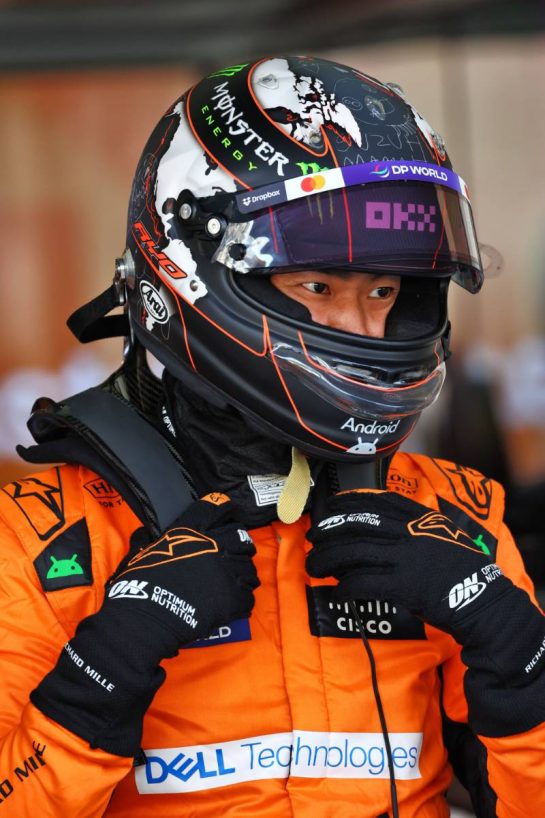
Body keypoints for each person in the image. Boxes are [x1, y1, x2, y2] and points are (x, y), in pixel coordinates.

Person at [0, 55, 543, 818]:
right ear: (189, 276)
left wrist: (520, 654)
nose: (362, 329)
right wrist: (101, 671)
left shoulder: (456, 519)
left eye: (383, 291)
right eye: (316, 287)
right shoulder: (38, 541)